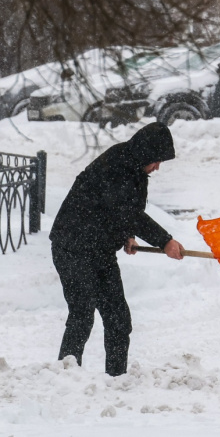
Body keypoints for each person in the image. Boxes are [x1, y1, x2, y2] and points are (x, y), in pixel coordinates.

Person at [50, 122, 184, 376]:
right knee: (82, 315)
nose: (157, 167)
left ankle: (116, 379)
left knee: (119, 320)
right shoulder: (116, 166)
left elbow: (124, 213)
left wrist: (128, 236)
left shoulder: (136, 170)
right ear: (145, 153)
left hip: (99, 251)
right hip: (73, 247)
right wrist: (165, 241)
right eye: (156, 160)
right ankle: (64, 378)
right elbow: (127, 211)